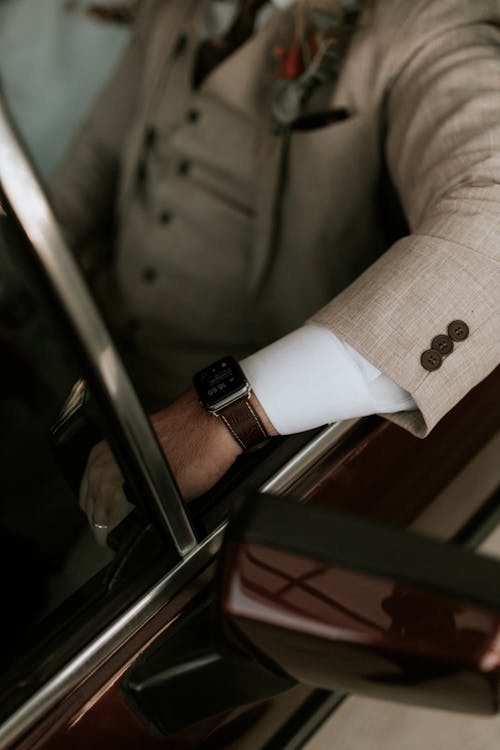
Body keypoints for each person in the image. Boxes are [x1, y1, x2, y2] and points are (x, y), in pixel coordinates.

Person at [49, 0, 500, 535]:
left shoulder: (422, 22)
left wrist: (227, 413)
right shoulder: (174, 9)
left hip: (233, 455)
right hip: (82, 364)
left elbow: (491, 215)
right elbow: (94, 163)